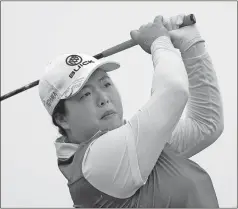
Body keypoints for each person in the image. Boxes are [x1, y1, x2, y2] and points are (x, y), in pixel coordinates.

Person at [38, 14, 224, 208]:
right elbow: (173, 91)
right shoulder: (96, 163)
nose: (103, 98)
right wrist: (159, 43)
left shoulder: (132, 146)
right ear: (62, 119)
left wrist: (191, 44)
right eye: (85, 95)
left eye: (106, 84)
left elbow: (205, 125)